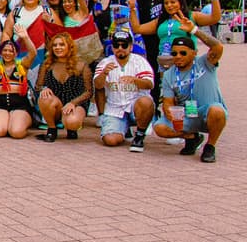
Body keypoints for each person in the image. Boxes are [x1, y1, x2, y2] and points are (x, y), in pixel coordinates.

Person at [156, 30, 226, 163]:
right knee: (160, 128)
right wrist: (169, 111)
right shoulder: (169, 74)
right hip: (186, 115)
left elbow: (218, 47)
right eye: (174, 53)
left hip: (207, 112)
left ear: (194, 53)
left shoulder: (205, 62)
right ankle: (192, 137)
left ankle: (210, 146)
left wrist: (194, 30)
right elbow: (168, 102)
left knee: (217, 111)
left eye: (183, 53)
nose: (178, 56)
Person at [93, 31, 155, 150]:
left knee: (146, 102)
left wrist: (135, 80)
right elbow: (98, 86)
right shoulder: (105, 63)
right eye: (116, 45)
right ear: (112, 47)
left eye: (124, 45)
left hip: (134, 106)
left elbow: (149, 84)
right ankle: (124, 129)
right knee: (110, 140)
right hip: (115, 108)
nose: (120, 48)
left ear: (131, 47)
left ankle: (139, 135)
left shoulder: (140, 61)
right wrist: (104, 73)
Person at [34, 32, 93, 143]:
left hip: (76, 103)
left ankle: (71, 129)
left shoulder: (82, 65)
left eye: (61, 44)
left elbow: (88, 92)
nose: (58, 47)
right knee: (44, 97)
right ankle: (52, 129)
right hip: (56, 104)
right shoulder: (46, 65)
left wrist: (73, 103)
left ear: (69, 47)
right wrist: (44, 88)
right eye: (55, 45)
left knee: (72, 122)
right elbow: (38, 86)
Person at [0, 33, 36, 140]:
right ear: (1, 52)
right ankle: (2, 121)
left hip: (20, 106)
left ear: (16, 53)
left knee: (16, 132)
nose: (7, 53)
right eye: (5, 50)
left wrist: (25, 37)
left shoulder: (22, 65)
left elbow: (33, 53)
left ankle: (18, 122)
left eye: (11, 51)